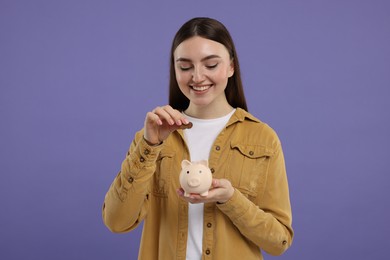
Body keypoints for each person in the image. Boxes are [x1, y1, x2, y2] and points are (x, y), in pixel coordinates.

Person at [102, 17, 293, 260]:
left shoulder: (262, 138)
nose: (198, 77)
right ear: (175, 69)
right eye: (185, 67)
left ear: (231, 67)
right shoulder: (153, 136)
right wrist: (149, 146)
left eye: (211, 65)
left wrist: (231, 199)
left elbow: (279, 241)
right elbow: (116, 221)